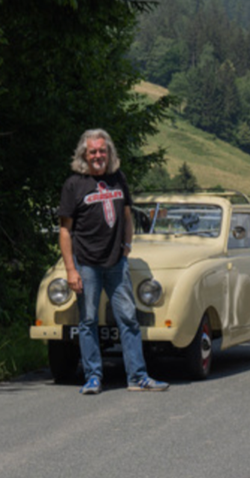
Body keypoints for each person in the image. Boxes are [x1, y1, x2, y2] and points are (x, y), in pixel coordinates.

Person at [58, 129, 169, 394]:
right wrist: (71, 269)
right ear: (84, 155)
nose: (98, 155)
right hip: (86, 263)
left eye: (102, 150)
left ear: (109, 152)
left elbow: (128, 216)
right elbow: (64, 230)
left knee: (129, 319)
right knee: (87, 321)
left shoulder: (118, 178)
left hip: (116, 263)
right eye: (93, 151)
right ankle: (93, 377)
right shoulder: (74, 184)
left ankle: (138, 377)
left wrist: (128, 245)